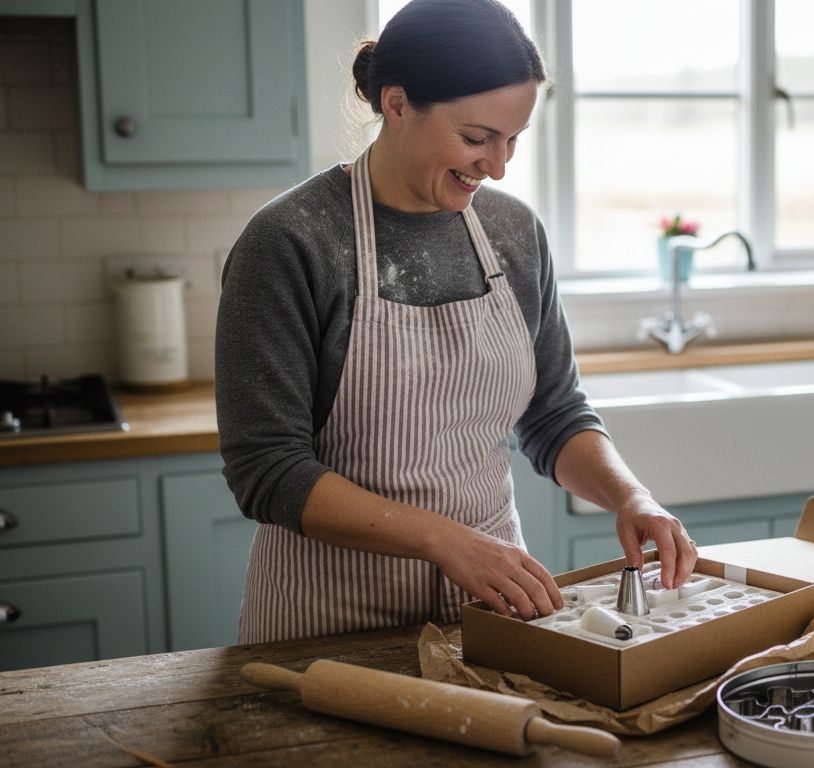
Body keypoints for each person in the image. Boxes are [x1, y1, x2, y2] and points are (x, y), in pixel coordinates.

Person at [216, 0, 695, 644]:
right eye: (475, 138)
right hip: (325, 627)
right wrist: (446, 542)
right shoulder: (292, 242)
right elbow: (267, 470)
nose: (496, 166)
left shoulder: (513, 232)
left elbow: (554, 415)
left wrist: (631, 496)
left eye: (512, 140)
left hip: (491, 611)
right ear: (396, 104)